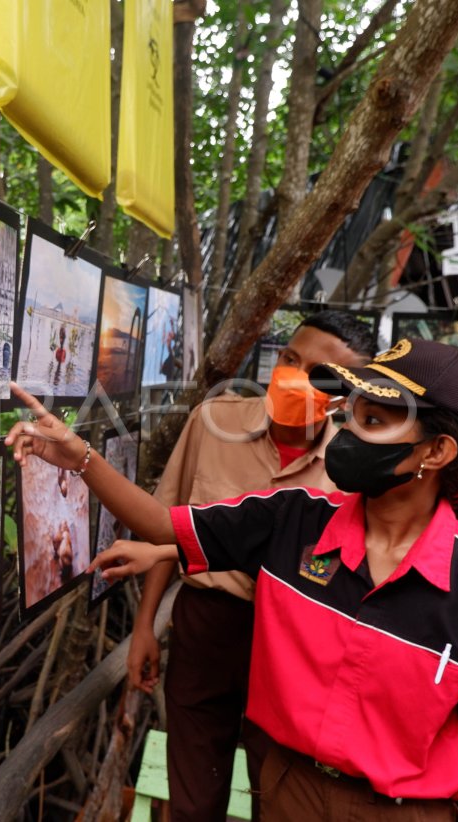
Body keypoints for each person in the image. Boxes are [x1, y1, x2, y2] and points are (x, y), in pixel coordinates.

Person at [7, 338, 458, 821]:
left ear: (436, 451)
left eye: (377, 421)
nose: (348, 431)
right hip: (288, 794)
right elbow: (160, 523)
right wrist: (80, 457)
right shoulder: (292, 519)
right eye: (351, 412)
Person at [129, 310, 375, 821]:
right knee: (194, 794)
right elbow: (167, 522)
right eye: (289, 358)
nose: (293, 375)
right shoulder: (214, 422)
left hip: (298, 645)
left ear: (345, 393)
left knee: (280, 791)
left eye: (318, 373)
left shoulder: (355, 467)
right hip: (207, 624)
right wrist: (145, 625)